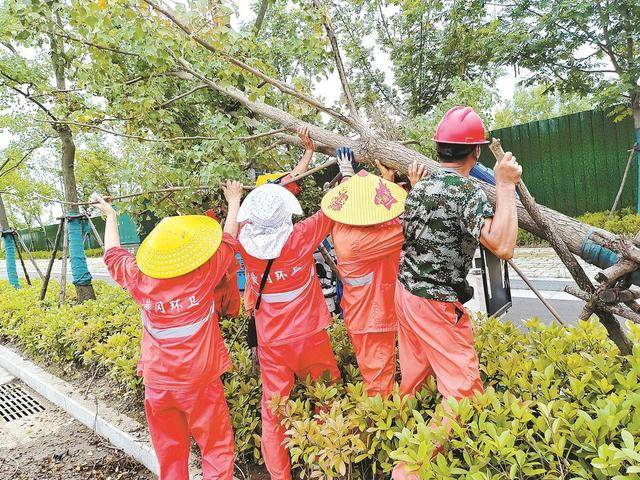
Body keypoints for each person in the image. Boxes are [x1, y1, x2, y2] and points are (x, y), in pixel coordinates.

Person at [392, 106, 522, 479]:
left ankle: (388, 434)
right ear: (476, 152)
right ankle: (408, 471)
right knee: (465, 392)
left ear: (439, 149)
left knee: (414, 378)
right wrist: (505, 185)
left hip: (406, 293)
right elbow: (502, 245)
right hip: (434, 303)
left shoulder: (419, 189)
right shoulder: (466, 192)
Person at [91, 181, 244, 480]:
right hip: (200, 383)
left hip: (158, 385)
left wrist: (110, 215)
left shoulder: (139, 278)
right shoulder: (205, 273)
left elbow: (112, 254)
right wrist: (234, 198)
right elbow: (228, 238)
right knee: (216, 448)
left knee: (171, 455)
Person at [237, 181, 340, 480]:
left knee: (274, 410)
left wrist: (235, 199)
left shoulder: (245, 243)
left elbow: (235, 229)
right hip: (311, 336)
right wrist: (346, 176)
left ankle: (280, 475)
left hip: (272, 344)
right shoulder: (301, 235)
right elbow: (331, 209)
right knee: (327, 397)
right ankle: (328, 465)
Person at [322, 148, 424, 397]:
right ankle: (381, 429)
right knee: (378, 386)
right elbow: (408, 226)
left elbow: (360, 204)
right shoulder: (359, 241)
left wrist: (373, 180)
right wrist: (416, 188)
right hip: (371, 320)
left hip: (369, 313)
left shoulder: (345, 224)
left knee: (385, 375)